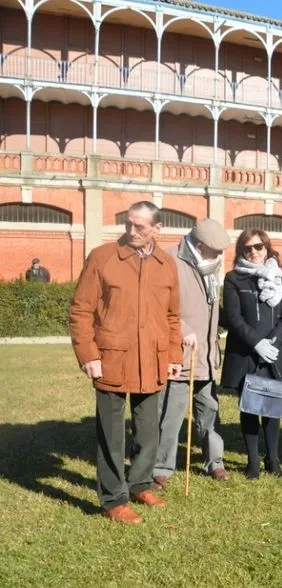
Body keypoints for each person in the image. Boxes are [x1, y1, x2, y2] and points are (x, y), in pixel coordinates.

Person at [68, 201, 181, 524]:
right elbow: (80, 310)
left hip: (153, 360)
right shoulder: (102, 258)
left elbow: (173, 316)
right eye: (128, 224)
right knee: (111, 434)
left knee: (148, 431)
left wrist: (173, 356)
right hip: (111, 360)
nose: (131, 231)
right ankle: (113, 499)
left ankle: (140, 484)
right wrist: (88, 355)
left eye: (140, 227)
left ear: (157, 229)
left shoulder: (166, 264)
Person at [152, 219, 232, 490]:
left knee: (209, 411)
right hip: (179, 354)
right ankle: (161, 467)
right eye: (216, 251)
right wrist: (183, 329)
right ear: (199, 246)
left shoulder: (208, 266)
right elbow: (157, 305)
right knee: (170, 415)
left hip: (206, 357)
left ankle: (215, 462)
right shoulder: (169, 261)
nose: (220, 257)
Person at [221, 229, 282, 479]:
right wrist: (257, 343)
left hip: (275, 352)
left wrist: (272, 342)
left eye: (259, 247)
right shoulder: (233, 279)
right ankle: (252, 461)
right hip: (246, 352)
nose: (254, 252)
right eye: (248, 248)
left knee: (273, 407)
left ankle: (273, 459)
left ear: (267, 248)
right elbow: (233, 317)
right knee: (250, 407)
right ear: (241, 251)